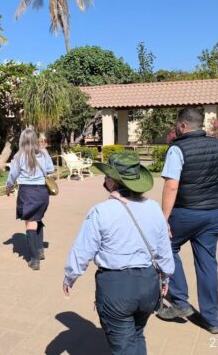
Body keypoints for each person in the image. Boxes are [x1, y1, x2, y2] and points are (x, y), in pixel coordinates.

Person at [63, 151, 174, 355]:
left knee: (123, 346)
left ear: (113, 182)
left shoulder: (101, 211)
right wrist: (166, 278)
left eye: (106, 177)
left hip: (117, 289)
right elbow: (164, 250)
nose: (104, 180)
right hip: (149, 285)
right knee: (138, 333)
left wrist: (70, 277)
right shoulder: (154, 208)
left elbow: (82, 250)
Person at [157, 107, 218, 334]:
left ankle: (180, 302)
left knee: (166, 247)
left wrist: (163, 220)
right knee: (207, 264)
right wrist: (210, 184)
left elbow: (171, 185)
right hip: (214, 214)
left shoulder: (177, 149)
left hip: (186, 213)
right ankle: (212, 319)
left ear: (182, 125)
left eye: (176, 124)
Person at [6, 128, 55, 270]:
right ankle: (39, 250)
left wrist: (8, 187)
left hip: (27, 193)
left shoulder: (19, 156)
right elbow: (50, 170)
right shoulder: (44, 153)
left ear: (22, 140)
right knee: (37, 219)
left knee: (30, 224)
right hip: (42, 193)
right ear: (35, 139)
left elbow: (12, 175)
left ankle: (34, 259)